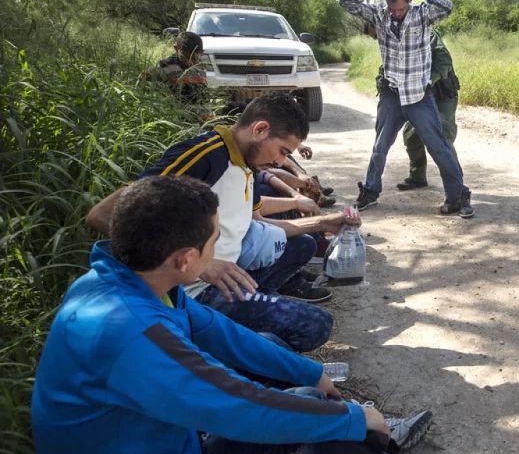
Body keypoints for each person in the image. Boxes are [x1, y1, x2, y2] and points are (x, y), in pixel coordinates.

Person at [33, 176, 501, 454]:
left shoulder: (122, 282)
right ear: (185, 260)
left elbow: (224, 334)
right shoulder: (133, 334)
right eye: (215, 238)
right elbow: (242, 407)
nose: (221, 245)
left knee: (282, 361)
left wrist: (312, 371)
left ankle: (360, 439)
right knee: (312, 415)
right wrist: (350, 417)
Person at [86, 93, 359, 352]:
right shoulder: (203, 157)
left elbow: (258, 223)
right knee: (315, 325)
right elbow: (102, 214)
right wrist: (202, 265)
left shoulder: (248, 164)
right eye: (282, 151)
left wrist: (323, 223)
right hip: (192, 289)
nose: (280, 162)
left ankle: (247, 321)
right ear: (260, 129)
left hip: (231, 270)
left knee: (301, 246)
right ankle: (226, 336)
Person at [340, 0, 473, 218]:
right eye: (393, 8)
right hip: (391, 94)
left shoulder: (422, 14)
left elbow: (447, 5)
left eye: (401, 8)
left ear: (409, 0)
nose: (397, 13)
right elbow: (346, 1)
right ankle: (370, 192)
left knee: (439, 147)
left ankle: (457, 196)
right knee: (380, 147)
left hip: (418, 96)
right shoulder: (378, 15)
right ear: (385, 3)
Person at [364, 23, 462, 192]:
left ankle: (458, 189)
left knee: (443, 138)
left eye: (377, 35)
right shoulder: (392, 41)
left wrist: (428, 81)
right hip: (416, 98)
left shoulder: (424, 33)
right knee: (411, 136)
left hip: (441, 94)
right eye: (376, 38)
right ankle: (418, 177)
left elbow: (444, 61)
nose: (378, 40)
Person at [140, 31, 208, 114]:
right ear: (176, 48)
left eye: (194, 59)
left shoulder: (201, 67)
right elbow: (142, 81)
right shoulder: (165, 67)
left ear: (202, 52)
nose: (190, 63)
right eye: (185, 57)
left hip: (203, 119)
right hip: (180, 120)